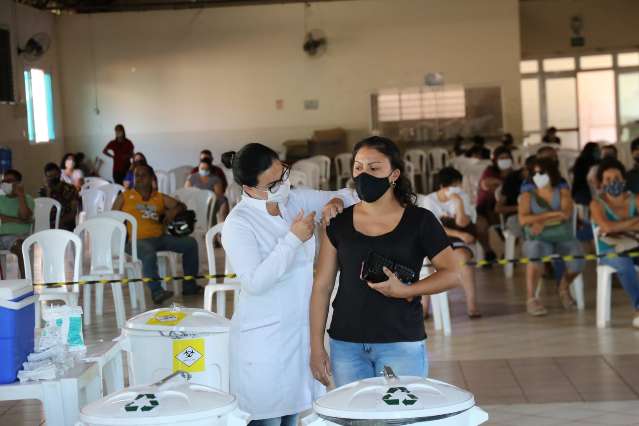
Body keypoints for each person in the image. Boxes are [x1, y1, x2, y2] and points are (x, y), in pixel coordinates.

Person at [221, 143, 357, 426]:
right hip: (263, 344)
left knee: (293, 417)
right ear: (249, 187)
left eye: (283, 174)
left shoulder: (292, 201)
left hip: (297, 335)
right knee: (268, 420)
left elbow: (347, 195)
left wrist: (336, 203)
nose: (283, 185)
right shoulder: (239, 223)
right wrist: (293, 239)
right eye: (273, 184)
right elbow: (255, 282)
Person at [309, 136, 462, 388]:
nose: (364, 175)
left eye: (374, 168)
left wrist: (408, 290)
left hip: (400, 341)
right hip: (346, 343)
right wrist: (316, 347)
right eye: (358, 167)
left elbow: (452, 274)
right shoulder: (338, 222)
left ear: (394, 174)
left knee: (398, 416)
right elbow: (322, 286)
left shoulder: (420, 221)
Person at [113, 164, 200, 305]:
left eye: (143, 175)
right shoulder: (125, 196)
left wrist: (173, 211)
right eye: (137, 175)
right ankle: (157, 291)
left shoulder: (158, 197)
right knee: (148, 253)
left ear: (151, 178)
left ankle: (190, 286)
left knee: (190, 243)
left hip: (160, 238)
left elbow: (181, 206)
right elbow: (112, 217)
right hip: (135, 241)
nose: (139, 178)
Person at [518, 157, 584, 316]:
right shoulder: (527, 195)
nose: (537, 175)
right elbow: (523, 219)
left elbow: (566, 214)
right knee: (534, 251)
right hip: (539, 239)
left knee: (577, 260)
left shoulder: (562, 191)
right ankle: (531, 298)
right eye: (534, 173)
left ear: (551, 173)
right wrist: (554, 214)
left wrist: (540, 222)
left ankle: (563, 286)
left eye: (541, 172)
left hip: (563, 237)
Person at [421, 167, 481, 318]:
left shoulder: (462, 196)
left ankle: (472, 305)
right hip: (435, 238)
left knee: (463, 259)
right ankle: (424, 308)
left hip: (457, 240)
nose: (457, 188)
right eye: (454, 185)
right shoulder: (429, 200)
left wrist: (459, 203)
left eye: (458, 184)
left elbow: (462, 223)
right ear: (442, 186)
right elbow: (434, 228)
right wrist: (460, 233)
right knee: (429, 263)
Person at [590, 158, 639, 328]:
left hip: (634, 246)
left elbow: (611, 227)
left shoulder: (636, 199)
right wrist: (633, 222)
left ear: (624, 180)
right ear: (602, 184)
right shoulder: (597, 204)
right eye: (608, 180)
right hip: (609, 251)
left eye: (617, 178)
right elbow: (606, 227)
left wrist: (616, 226)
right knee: (624, 264)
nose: (613, 183)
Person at [476, 146, 514, 259]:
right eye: (501, 158)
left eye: (507, 157)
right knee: (480, 226)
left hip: (506, 208)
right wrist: (504, 183)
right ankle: (488, 251)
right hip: (485, 207)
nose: (505, 160)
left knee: (513, 228)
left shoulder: (514, 173)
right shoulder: (489, 171)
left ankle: (507, 252)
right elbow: (486, 184)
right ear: (495, 160)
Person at [0, 169, 33, 278]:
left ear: (18, 183)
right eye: (4, 181)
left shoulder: (27, 199)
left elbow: (24, 215)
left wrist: (20, 196)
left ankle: (26, 281)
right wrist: (19, 220)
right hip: (2, 235)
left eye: (9, 181)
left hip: (18, 236)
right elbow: (1, 218)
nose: (5, 184)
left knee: (21, 247)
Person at [496, 155, 535, 238]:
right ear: (525, 169)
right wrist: (520, 208)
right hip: (515, 216)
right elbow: (498, 208)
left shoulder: (544, 179)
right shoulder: (512, 179)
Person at [185, 159, 229, 223]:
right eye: (202, 168)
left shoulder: (215, 179)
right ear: (199, 168)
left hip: (212, 199)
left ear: (210, 169)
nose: (204, 170)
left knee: (223, 200)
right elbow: (186, 191)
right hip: (195, 200)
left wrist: (209, 199)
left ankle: (221, 224)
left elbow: (218, 193)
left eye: (206, 169)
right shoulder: (192, 177)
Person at [39, 163, 80, 231]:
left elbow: (73, 212)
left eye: (55, 175)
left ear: (60, 173)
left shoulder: (71, 189)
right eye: (50, 176)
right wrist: (48, 192)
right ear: (46, 177)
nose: (54, 178)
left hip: (66, 223)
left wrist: (58, 223)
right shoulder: (43, 191)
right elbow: (43, 212)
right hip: (48, 223)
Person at [571, 142, 601, 206]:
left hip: (596, 188)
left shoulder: (600, 162)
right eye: (596, 150)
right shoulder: (581, 161)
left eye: (599, 150)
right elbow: (579, 179)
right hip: (582, 189)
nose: (599, 152)